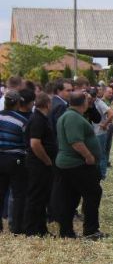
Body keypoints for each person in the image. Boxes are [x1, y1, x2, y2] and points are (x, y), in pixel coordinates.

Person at [53, 91, 105, 239]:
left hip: (70, 164)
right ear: (84, 103)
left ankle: (66, 231)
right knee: (92, 194)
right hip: (77, 164)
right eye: (88, 100)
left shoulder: (70, 115)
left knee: (70, 197)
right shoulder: (72, 118)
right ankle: (90, 230)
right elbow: (75, 141)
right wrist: (88, 157)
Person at [23, 92, 57, 236]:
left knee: (41, 197)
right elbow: (35, 143)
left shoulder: (41, 118)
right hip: (38, 165)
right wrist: (47, 160)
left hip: (41, 164)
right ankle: (31, 229)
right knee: (36, 197)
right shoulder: (38, 119)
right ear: (48, 104)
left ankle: (40, 228)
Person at [0, 89, 33, 234]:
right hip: (16, 160)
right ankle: (16, 227)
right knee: (18, 194)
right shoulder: (22, 121)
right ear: (18, 103)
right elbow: (26, 143)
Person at [101, 86, 113, 167]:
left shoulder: (108, 101)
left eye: (112, 93)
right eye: (109, 92)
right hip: (106, 126)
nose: (111, 94)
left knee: (108, 145)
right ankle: (103, 162)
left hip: (110, 126)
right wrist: (106, 124)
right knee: (104, 145)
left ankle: (106, 161)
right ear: (104, 92)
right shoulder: (102, 102)